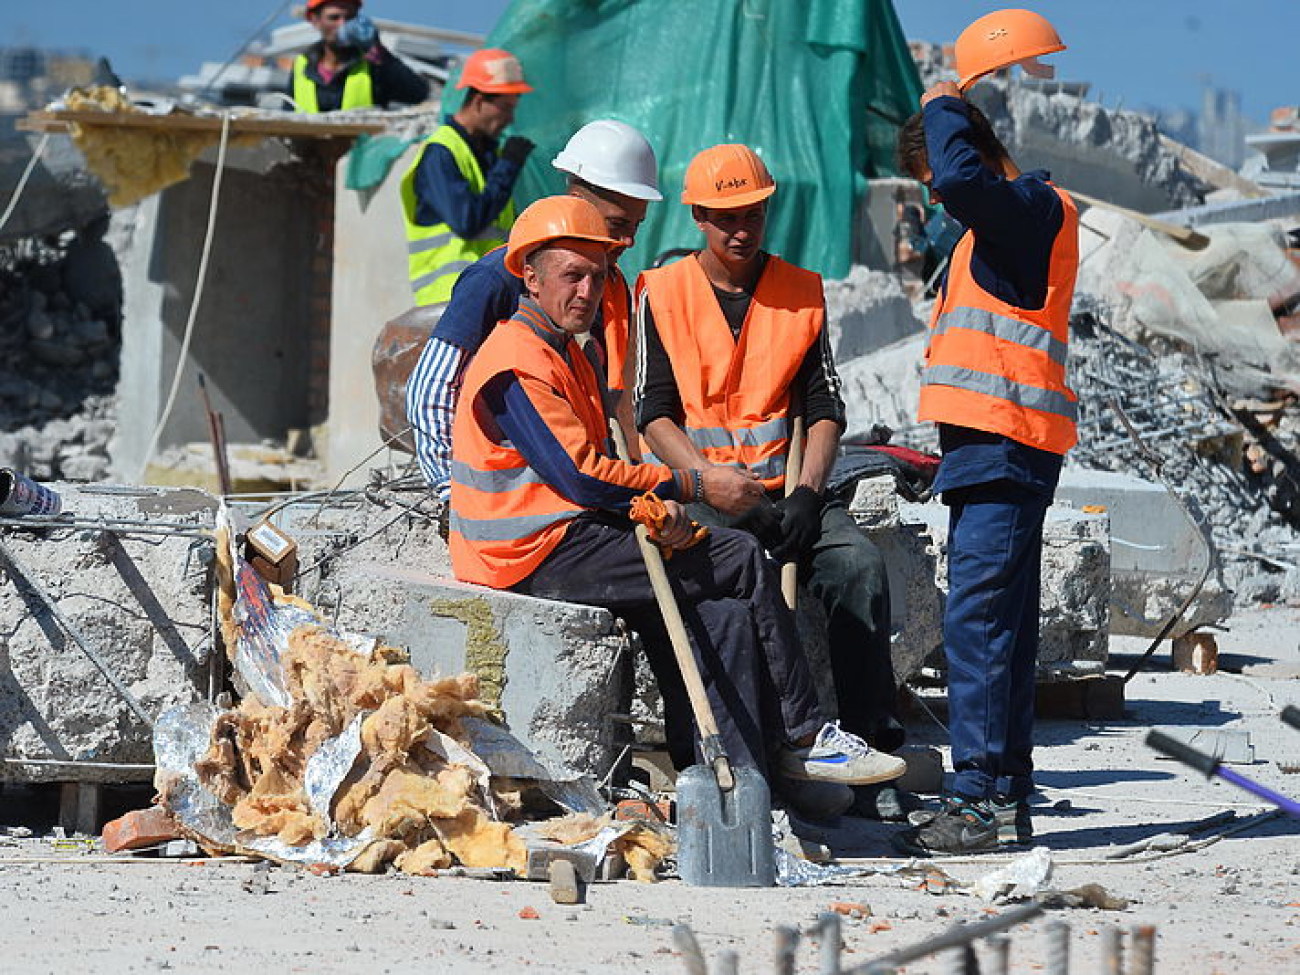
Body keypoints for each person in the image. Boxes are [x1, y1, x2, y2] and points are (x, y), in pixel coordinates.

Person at [449, 195, 907, 811]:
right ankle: (805, 734)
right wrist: (688, 486)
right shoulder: (515, 360)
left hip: (564, 534)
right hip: (529, 549)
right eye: (571, 275)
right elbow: (580, 477)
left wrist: (657, 511)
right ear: (529, 277)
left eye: (596, 276)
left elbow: (595, 467)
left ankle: (736, 792)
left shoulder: (562, 348)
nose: (586, 291)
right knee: (742, 558)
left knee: (722, 612)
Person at [633, 143, 909, 818]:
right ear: (698, 214)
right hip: (709, 496)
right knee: (736, 585)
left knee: (858, 568)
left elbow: (824, 410)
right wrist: (708, 482)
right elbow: (653, 414)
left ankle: (867, 752)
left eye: (752, 212)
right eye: (725, 214)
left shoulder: (801, 291)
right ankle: (759, 751)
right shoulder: (661, 293)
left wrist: (810, 496)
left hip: (784, 492)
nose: (741, 227)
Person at [892, 16, 1078, 855]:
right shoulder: (996, 233)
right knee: (998, 622)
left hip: (1007, 443)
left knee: (976, 620)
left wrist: (942, 96)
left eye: (937, 177)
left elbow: (966, 181)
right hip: (993, 445)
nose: (939, 196)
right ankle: (1002, 791)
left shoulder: (1024, 212)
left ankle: (974, 798)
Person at [407, 120, 662, 500]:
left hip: (581, 488)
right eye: (617, 224)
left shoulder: (611, 287)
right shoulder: (497, 278)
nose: (628, 240)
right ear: (577, 198)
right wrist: (449, 492)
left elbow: (616, 402)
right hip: (512, 503)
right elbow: (429, 390)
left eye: (637, 225)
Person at [400, 48, 534, 307]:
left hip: (488, 296)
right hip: (447, 300)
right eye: (505, 108)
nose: (510, 119)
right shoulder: (440, 152)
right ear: (478, 100)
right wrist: (508, 166)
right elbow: (466, 221)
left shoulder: (489, 154)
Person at [290, 0, 429, 113]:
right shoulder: (301, 65)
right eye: (334, 18)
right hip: (308, 146)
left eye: (350, 18)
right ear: (315, 20)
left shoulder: (374, 64)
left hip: (361, 146)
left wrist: (379, 50)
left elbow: (418, 94)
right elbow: (286, 115)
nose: (342, 25)